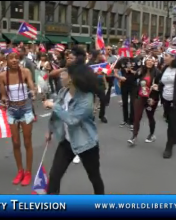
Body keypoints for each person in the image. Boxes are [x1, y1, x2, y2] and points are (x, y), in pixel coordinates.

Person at [44, 47, 104, 194]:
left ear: (72, 78)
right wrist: (50, 130)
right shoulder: (63, 92)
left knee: (94, 176)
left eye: (64, 73)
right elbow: (57, 113)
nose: (61, 76)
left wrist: (53, 106)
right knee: (54, 175)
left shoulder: (86, 98)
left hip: (86, 143)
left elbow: (72, 119)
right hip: (67, 142)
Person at [0, 48, 35, 186]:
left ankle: (28, 172)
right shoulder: (2, 76)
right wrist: (2, 101)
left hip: (25, 109)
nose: (14, 60)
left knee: (27, 142)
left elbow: (31, 85)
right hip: (12, 110)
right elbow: (3, 95)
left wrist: (33, 91)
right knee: (15, 142)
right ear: (6, 60)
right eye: (11, 57)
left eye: (16, 57)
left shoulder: (25, 72)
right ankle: (20, 170)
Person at [127, 56, 161, 145]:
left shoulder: (157, 72)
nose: (149, 62)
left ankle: (152, 134)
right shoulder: (141, 70)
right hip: (140, 96)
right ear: (145, 62)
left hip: (151, 98)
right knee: (137, 117)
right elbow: (133, 79)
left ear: (154, 62)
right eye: (147, 60)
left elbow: (160, 86)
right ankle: (134, 136)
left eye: (151, 61)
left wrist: (153, 99)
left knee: (150, 116)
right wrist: (133, 72)